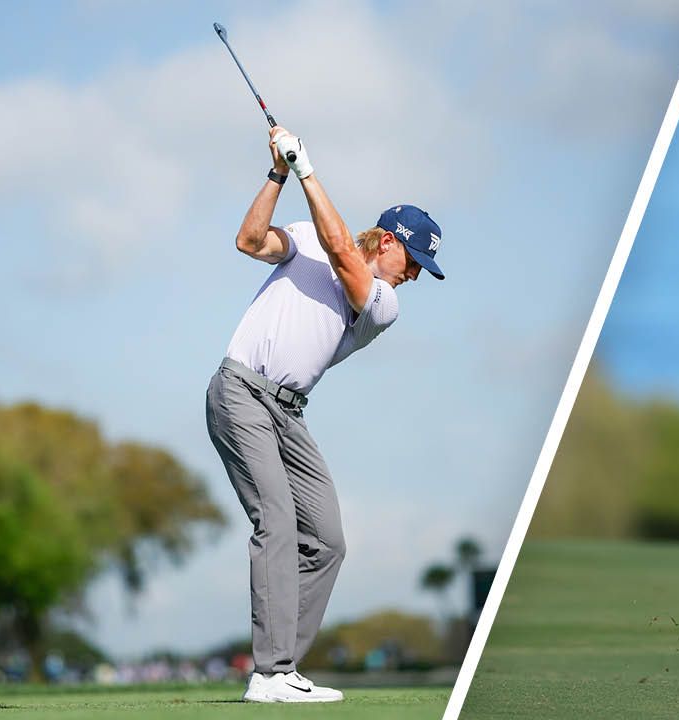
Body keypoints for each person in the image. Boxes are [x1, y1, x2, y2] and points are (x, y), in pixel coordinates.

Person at [205, 126, 445, 703]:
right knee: (278, 522)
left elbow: (344, 255)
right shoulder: (308, 236)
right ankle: (269, 673)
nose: (413, 275)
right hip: (240, 393)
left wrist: (307, 168)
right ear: (388, 241)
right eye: (412, 260)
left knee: (328, 541)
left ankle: (281, 665)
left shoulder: (383, 304)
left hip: (289, 415)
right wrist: (280, 174)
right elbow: (249, 240)